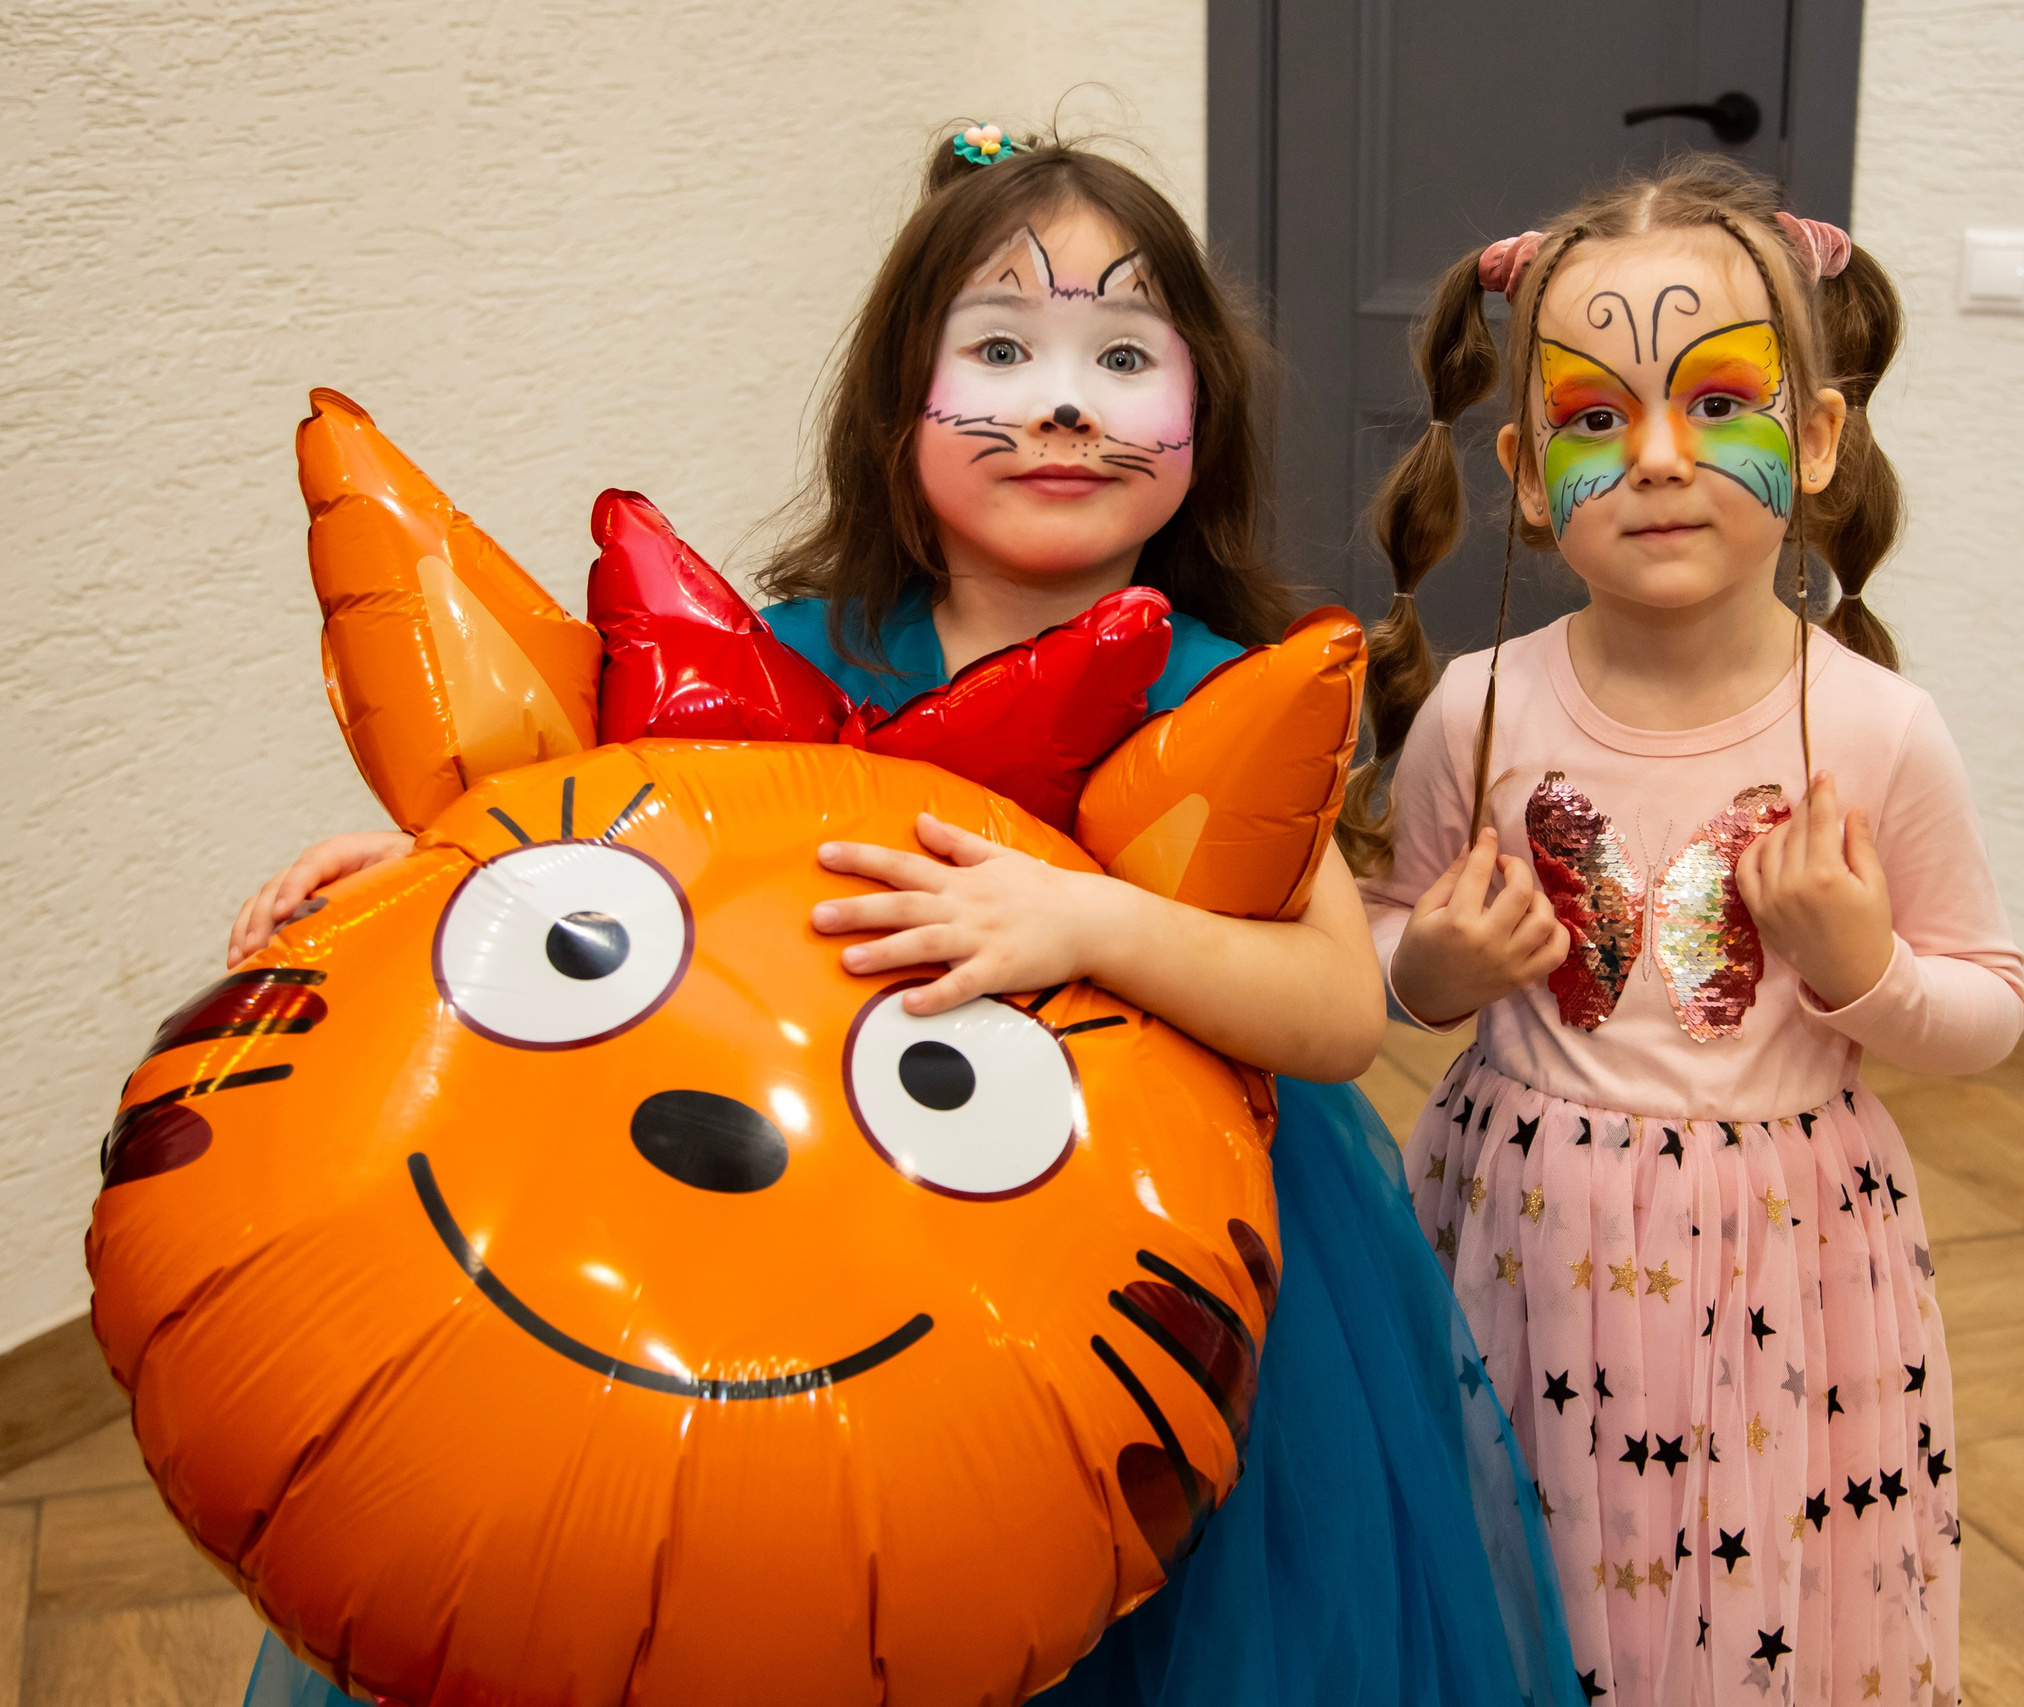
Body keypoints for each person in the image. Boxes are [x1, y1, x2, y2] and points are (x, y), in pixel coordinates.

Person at [234, 128, 1578, 1707]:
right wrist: (408, 887)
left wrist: (1087, 921)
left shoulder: (1234, 698)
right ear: (896, 415)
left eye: (1122, 356)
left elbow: (1339, 1015)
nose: (1064, 401)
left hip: (1133, 1299)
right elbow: (591, 853)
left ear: (1199, 420)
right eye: (1001, 350)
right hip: (803, 1244)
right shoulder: (776, 657)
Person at [1349, 155, 2024, 1707]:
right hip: (1522, 1246)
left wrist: (1862, 968)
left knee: (1748, 1601)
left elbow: (1987, 1007)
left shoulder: (1876, 729)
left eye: (1717, 400)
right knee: (1530, 1575)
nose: (1656, 458)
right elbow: (1385, 953)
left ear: (1819, 437)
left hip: (1787, 1264)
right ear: (1527, 472)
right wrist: (1431, 973)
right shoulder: (1479, 706)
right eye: (1597, 419)